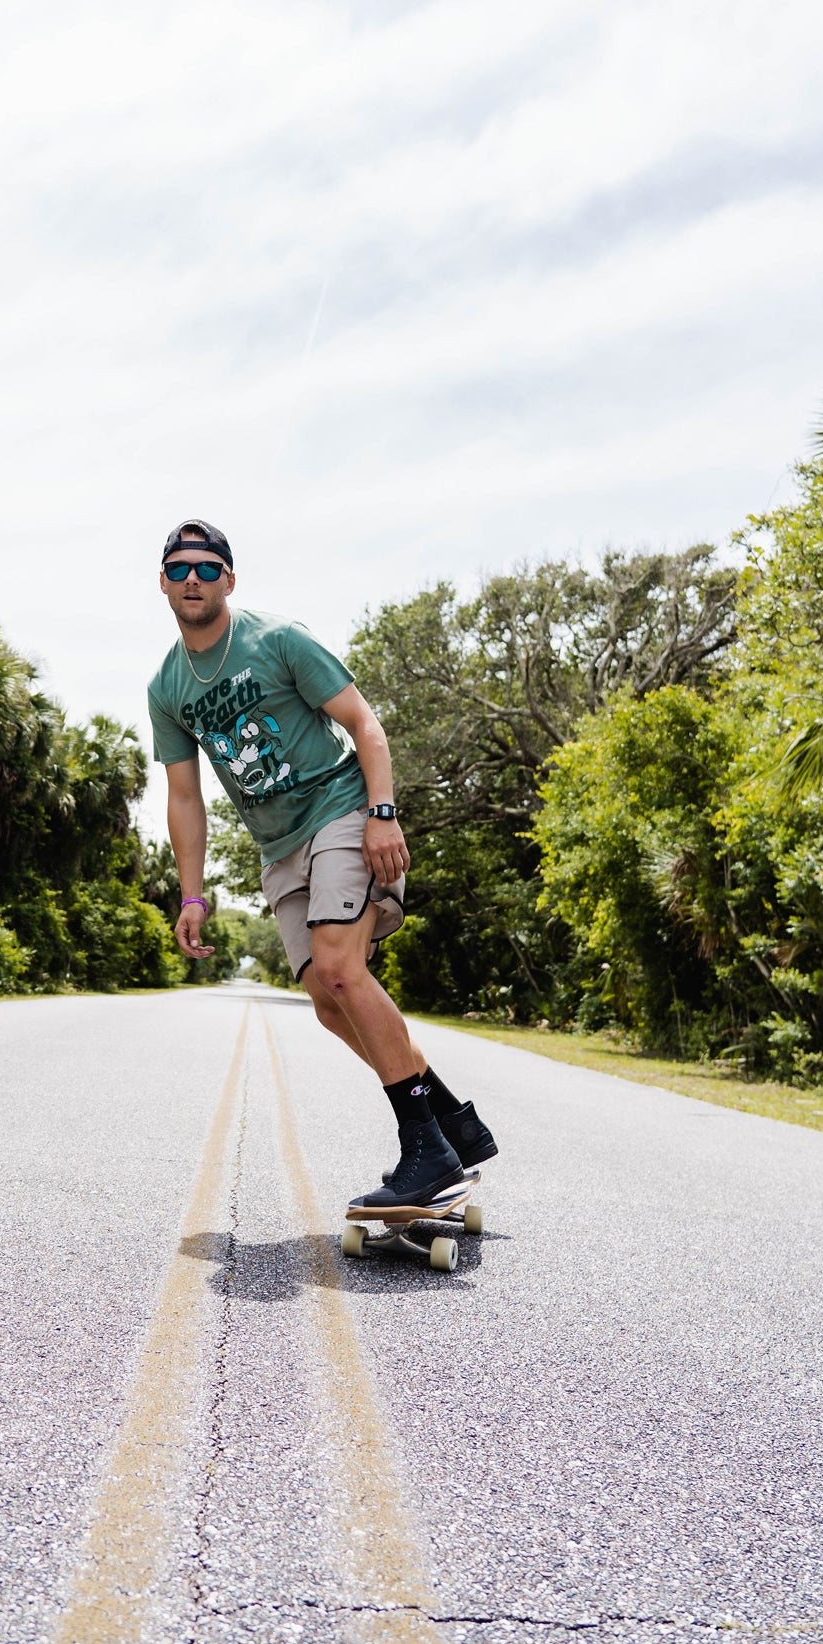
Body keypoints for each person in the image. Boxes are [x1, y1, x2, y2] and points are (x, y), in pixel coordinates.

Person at [147, 517, 497, 1210]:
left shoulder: (277, 639)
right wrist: (191, 896)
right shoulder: (167, 687)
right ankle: (453, 1120)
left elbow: (363, 723)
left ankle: (426, 1151)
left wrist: (381, 813)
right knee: (328, 1005)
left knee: (342, 969)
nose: (193, 580)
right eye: (180, 569)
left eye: (207, 569)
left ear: (229, 580)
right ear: (161, 582)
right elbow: (184, 796)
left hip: (340, 811)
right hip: (277, 847)